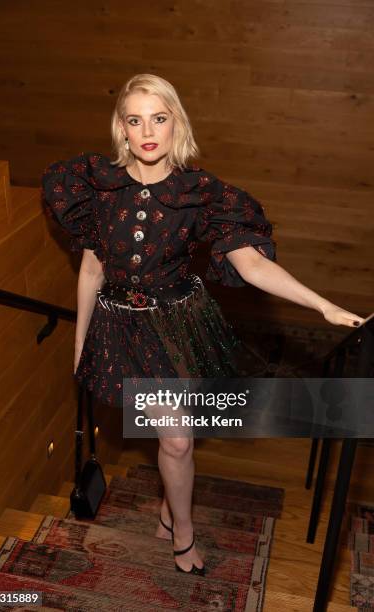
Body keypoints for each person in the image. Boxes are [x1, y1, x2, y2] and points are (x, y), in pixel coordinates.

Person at [41, 73, 365, 576]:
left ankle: (177, 523)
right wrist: (80, 339)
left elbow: (251, 264)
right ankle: (176, 519)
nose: (148, 131)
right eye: (135, 120)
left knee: (176, 438)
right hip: (123, 326)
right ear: (122, 129)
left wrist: (320, 305)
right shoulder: (98, 187)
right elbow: (91, 268)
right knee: (171, 436)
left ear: (176, 124)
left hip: (180, 324)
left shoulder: (201, 194)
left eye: (159, 118)